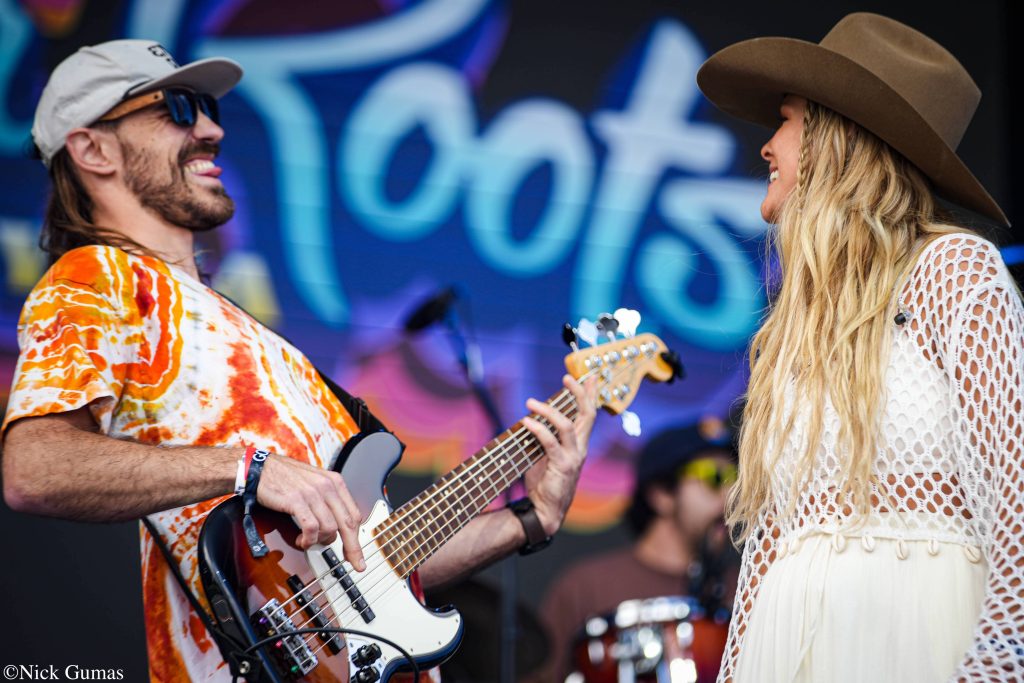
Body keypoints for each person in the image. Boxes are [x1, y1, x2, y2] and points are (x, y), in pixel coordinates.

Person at [0, 40, 597, 681]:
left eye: (207, 109)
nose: (212, 130)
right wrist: (250, 468)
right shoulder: (98, 277)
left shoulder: (247, 333)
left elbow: (367, 578)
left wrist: (529, 519)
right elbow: (34, 468)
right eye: (176, 109)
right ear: (94, 150)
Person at [695, 12, 1024, 683]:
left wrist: (997, 655)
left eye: (785, 121)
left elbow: (1017, 488)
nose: (767, 148)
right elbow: (768, 546)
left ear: (836, 139)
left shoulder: (953, 271)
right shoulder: (796, 327)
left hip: (916, 638)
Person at [539, 423, 738, 682]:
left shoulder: (745, 589)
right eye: (714, 477)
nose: (730, 496)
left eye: (736, 480)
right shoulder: (584, 587)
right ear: (662, 494)